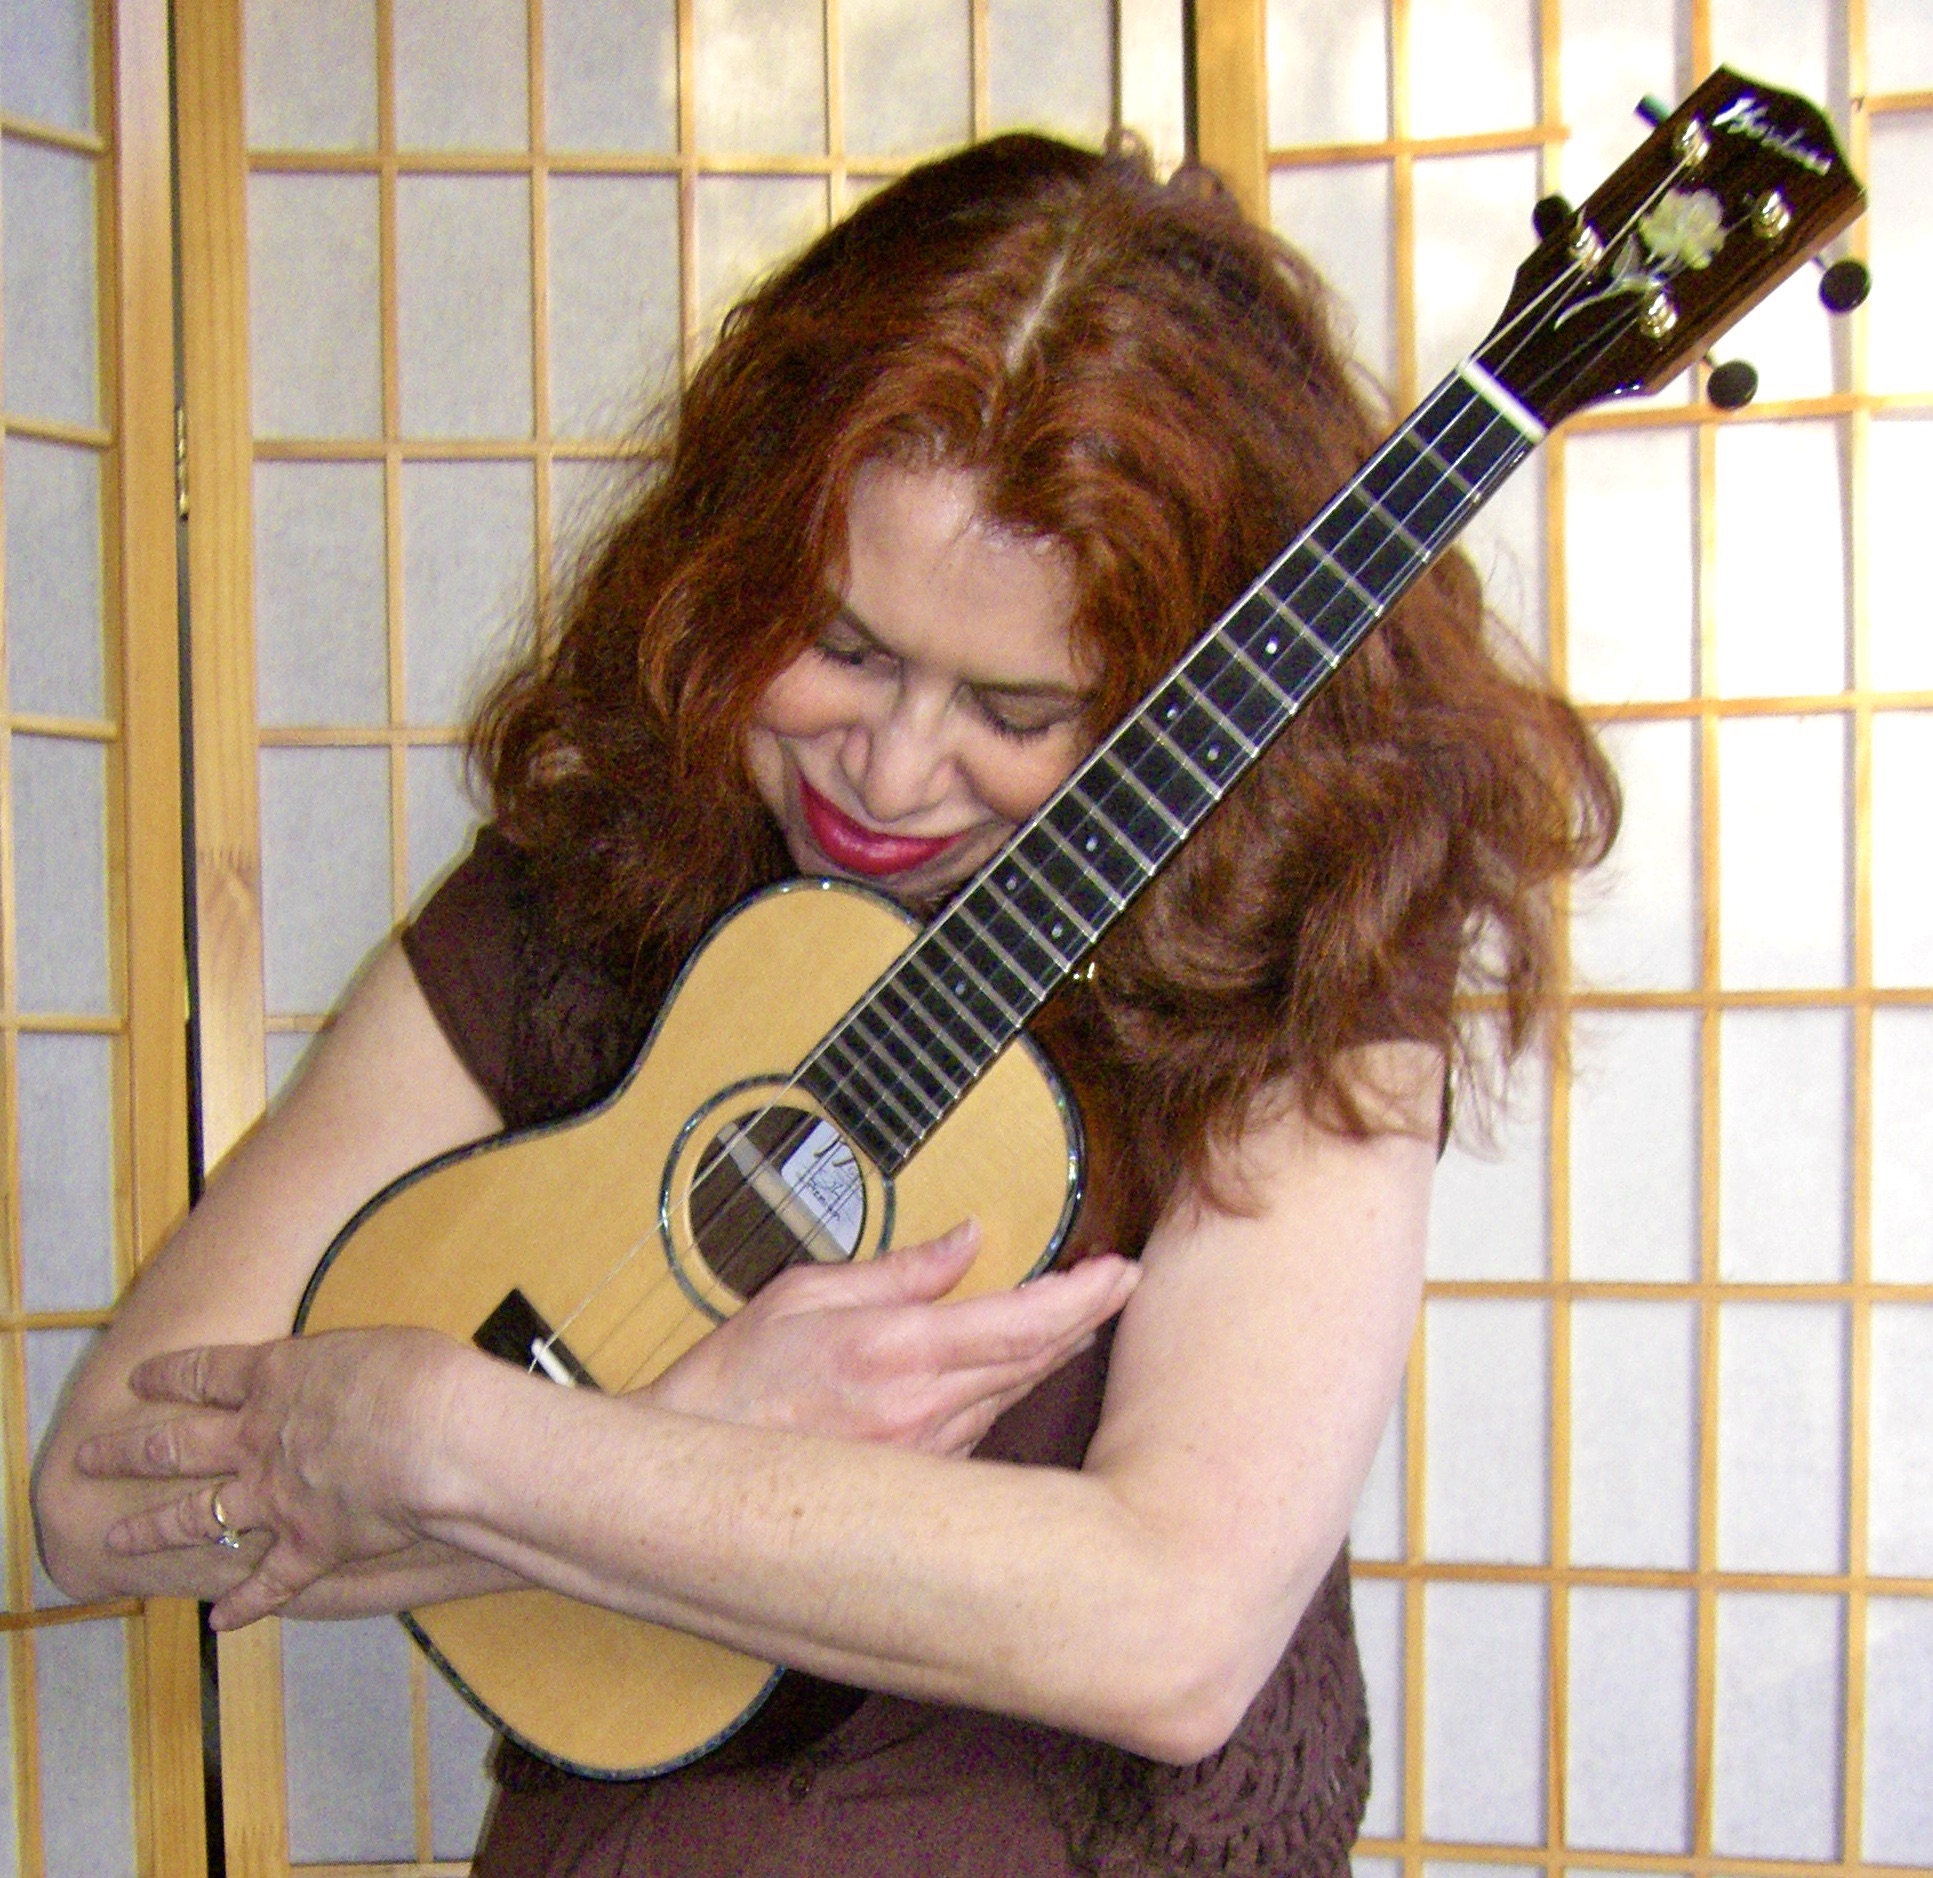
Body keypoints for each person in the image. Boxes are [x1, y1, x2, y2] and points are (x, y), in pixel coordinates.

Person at [35, 134, 1616, 1876]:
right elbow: (102, 1486)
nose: (893, 762)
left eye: (1020, 705)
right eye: (844, 647)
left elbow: (1168, 1625)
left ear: (1177, 700)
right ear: (732, 565)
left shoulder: (1298, 952)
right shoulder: (584, 891)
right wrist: (670, 1436)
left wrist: (450, 1437)